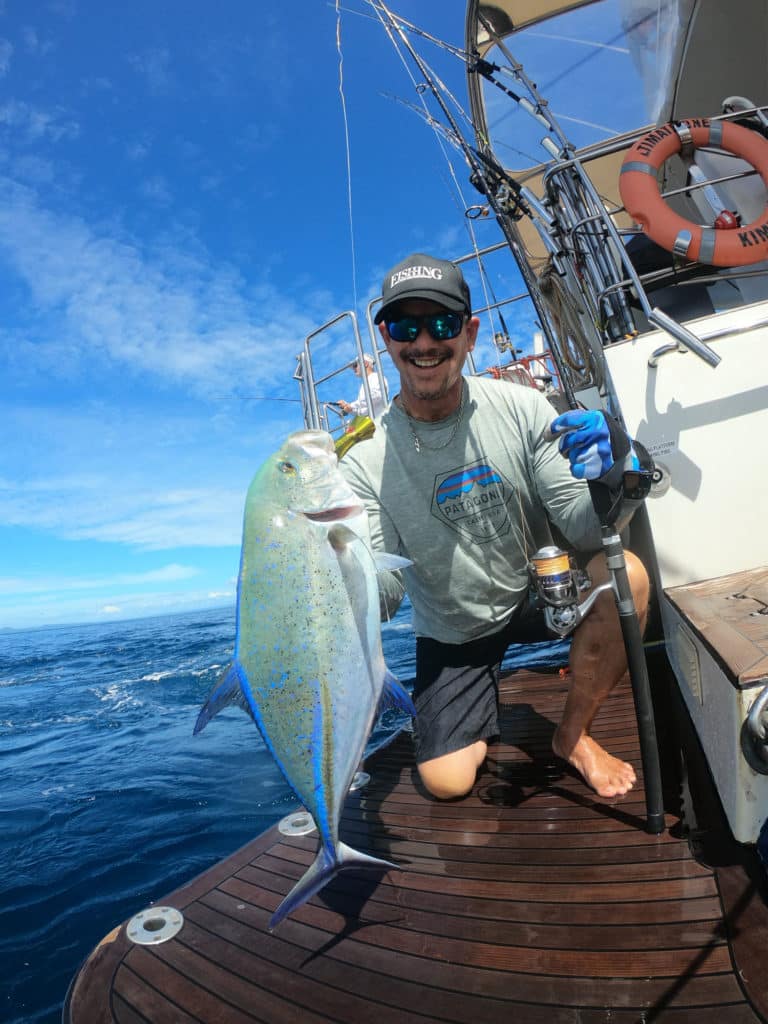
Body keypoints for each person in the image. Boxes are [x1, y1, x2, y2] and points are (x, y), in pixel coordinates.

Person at [341, 252, 653, 802]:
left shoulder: (524, 407)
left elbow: (585, 531)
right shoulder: (362, 461)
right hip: (454, 632)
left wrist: (616, 475)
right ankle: (464, 710)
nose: (423, 343)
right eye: (404, 327)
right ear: (386, 340)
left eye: (441, 323)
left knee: (625, 573)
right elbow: (385, 596)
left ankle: (572, 736)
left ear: (470, 332)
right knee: (447, 782)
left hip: (543, 593)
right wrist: (336, 572)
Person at [336, 353, 386, 419]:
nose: (354, 369)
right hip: (370, 424)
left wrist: (351, 406)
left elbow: (376, 396)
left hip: (379, 423)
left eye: (355, 365)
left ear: (365, 364)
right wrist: (347, 406)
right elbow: (363, 411)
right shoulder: (366, 382)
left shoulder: (376, 377)